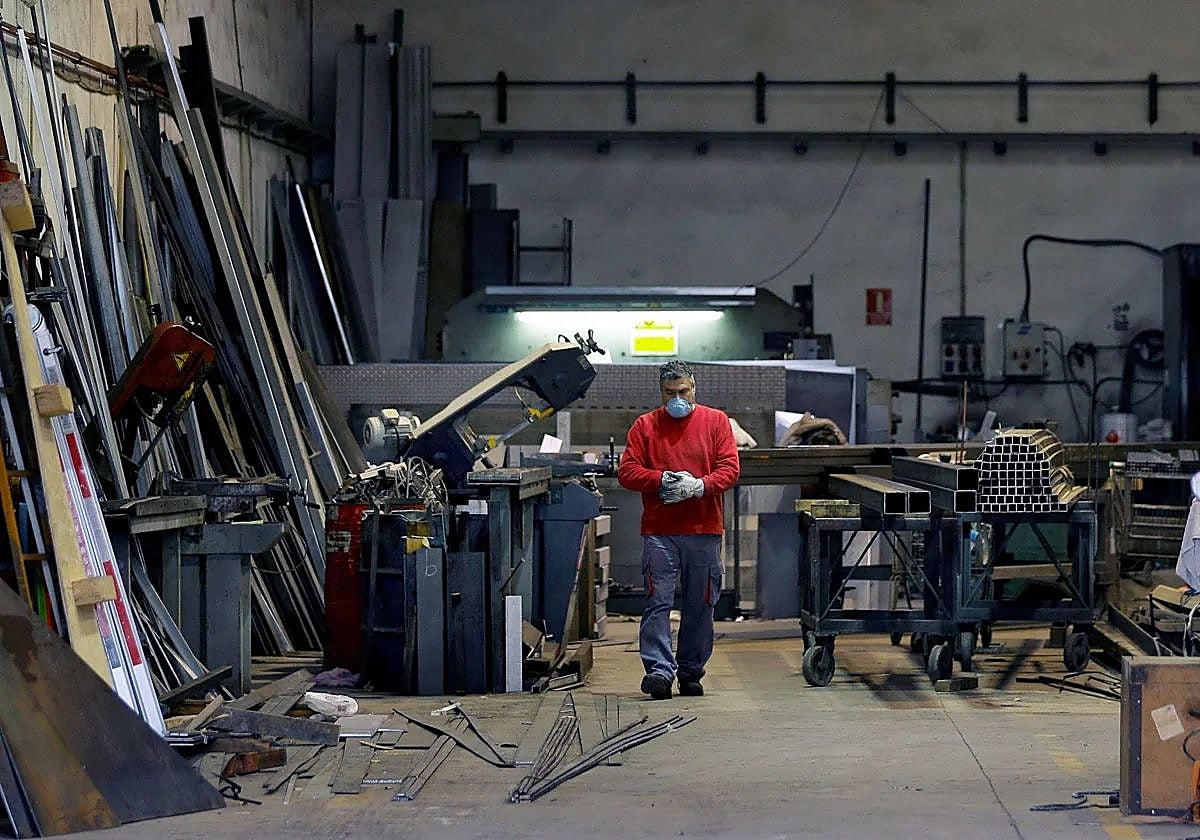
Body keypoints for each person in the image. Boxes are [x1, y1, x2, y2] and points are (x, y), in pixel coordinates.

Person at [617, 360, 740, 699]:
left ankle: (690, 672)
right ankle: (659, 671)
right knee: (658, 601)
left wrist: (700, 486)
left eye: (683, 391)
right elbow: (627, 472)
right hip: (661, 531)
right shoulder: (645, 426)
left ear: (694, 388)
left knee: (701, 603)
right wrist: (660, 479)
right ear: (661, 393)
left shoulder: (715, 422)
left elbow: (730, 468)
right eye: (670, 393)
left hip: (703, 528)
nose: (677, 398)